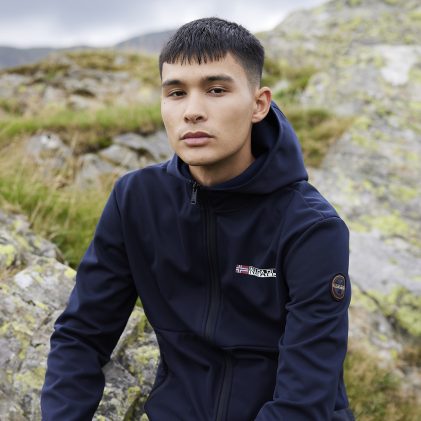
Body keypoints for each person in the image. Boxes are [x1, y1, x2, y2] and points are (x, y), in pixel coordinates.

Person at [41, 17, 355, 421]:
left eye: (216, 90)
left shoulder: (311, 226)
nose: (192, 112)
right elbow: (82, 335)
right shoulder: (136, 199)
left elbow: (303, 402)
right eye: (176, 93)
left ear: (259, 104)